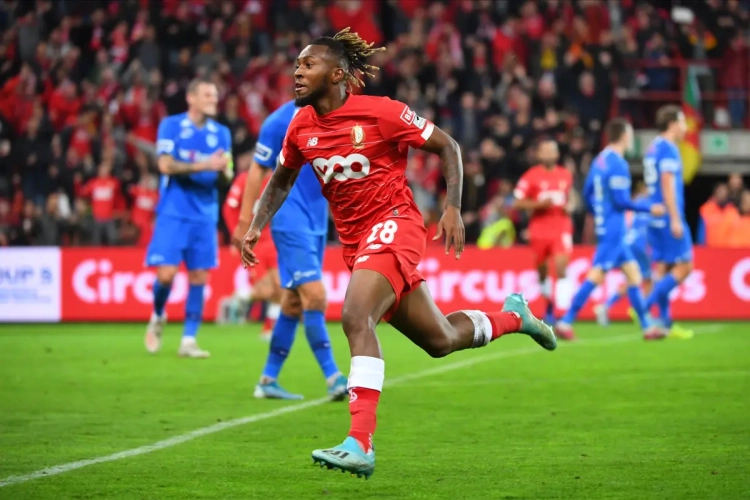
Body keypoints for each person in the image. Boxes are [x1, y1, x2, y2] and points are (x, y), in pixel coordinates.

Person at [241, 28, 556, 478]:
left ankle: (360, 442)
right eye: (296, 64)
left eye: (308, 64)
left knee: (355, 316)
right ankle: (514, 317)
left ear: (338, 74)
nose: (297, 72)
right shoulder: (300, 126)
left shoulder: (382, 112)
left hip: (396, 224)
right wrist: (256, 225)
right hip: (356, 243)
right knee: (440, 340)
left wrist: (452, 207)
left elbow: (448, 146)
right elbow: (281, 179)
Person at [233, 100, 348, 401]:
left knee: (294, 303)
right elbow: (257, 169)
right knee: (316, 295)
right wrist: (244, 222)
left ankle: (268, 380)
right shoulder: (279, 121)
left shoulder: (336, 116)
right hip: (288, 217)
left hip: (317, 220)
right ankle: (334, 377)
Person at [144, 77, 233, 358]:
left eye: (215, 95)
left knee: (199, 275)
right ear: (191, 98)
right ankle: (158, 313)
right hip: (174, 211)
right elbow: (165, 165)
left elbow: (226, 174)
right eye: (208, 95)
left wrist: (225, 170)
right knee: (166, 275)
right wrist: (205, 164)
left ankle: (189, 340)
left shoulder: (222, 133)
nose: (213, 99)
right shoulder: (171, 125)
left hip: (205, 214)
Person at [555, 119, 666, 341]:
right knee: (597, 274)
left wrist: (599, 213)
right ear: (624, 136)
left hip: (608, 226)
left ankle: (647, 327)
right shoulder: (618, 163)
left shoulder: (600, 160)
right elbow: (621, 201)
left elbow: (587, 192)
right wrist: (648, 208)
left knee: (634, 275)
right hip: (614, 228)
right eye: (630, 134)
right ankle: (566, 320)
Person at [642, 105, 695, 339]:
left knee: (664, 269)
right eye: (682, 122)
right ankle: (644, 307)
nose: (685, 127)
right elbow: (667, 183)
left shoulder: (653, 147)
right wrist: (675, 218)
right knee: (685, 267)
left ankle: (666, 324)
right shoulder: (669, 148)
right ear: (672, 124)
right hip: (667, 215)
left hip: (654, 216)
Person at [513, 139, 575, 330]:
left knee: (562, 267)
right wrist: (538, 205)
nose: (548, 154)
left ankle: (563, 316)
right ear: (539, 154)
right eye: (545, 150)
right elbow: (517, 202)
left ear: (557, 154)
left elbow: (571, 198)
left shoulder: (565, 175)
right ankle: (550, 304)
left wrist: (571, 206)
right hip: (539, 228)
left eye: (551, 151)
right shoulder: (530, 176)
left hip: (561, 226)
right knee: (542, 271)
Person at [223, 171, 281, 340]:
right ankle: (238, 299)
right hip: (252, 241)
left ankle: (268, 329)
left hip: (271, 239)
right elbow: (229, 208)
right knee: (266, 291)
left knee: (280, 287)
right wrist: (237, 235)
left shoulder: (278, 178)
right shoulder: (244, 179)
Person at [594, 181, 653, 326]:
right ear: (643, 188)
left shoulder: (632, 204)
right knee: (647, 280)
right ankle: (641, 311)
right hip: (640, 245)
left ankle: (606, 306)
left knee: (633, 278)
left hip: (629, 243)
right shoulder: (645, 204)